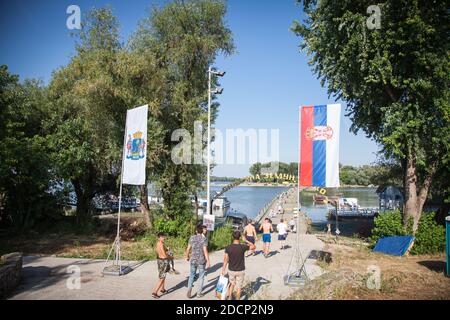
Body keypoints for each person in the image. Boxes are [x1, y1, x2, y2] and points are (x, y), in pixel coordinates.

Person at [221, 230, 256, 300]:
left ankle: (230, 298)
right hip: (240, 270)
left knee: (231, 284)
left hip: (231, 270)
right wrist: (246, 240)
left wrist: (223, 270)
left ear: (232, 237)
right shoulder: (243, 247)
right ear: (240, 238)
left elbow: (225, 260)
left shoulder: (228, 247)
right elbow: (253, 246)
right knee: (239, 287)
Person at [185, 225, 211, 298]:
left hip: (193, 260)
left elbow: (188, 249)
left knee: (191, 275)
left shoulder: (192, 238)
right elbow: (205, 251)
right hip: (201, 261)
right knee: (201, 277)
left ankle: (189, 289)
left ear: (196, 231)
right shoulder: (204, 239)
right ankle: (199, 293)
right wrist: (208, 261)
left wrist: (187, 256)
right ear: (202, 231)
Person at [152, 233, 173, 299]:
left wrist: (167, 249)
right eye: (163, 237)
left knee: (163, 275)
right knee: (162, 277)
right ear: (159, 238)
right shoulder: (160, 244)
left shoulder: (159, 243)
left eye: (164, 237)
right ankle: (154, 292)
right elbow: (164, 255)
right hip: (163, 261)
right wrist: (170, 257)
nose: (164, 238)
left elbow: (163, 251)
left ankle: (162, 289)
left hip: (160, 261)